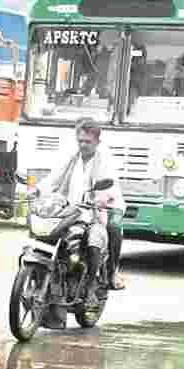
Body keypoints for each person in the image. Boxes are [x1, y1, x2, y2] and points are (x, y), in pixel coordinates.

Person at [36, 118, 127, 293]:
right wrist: (38, 190)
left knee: (111, 229)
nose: (83, 145)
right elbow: (55, 177)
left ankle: (110, 274)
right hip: (75, 207)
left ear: (97, 142)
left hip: (106, 205)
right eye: (81, 141)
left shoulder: (104, 157)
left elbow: (110, 184)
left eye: (88, 142)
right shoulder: (72, 156)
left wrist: (101, 198)